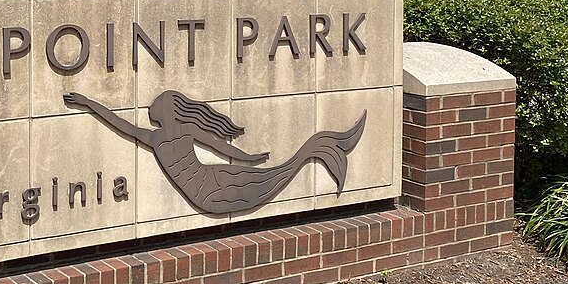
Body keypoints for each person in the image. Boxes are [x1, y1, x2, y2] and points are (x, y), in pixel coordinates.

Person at [62, 90, 366, 214]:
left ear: (164, 111)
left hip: (210, 183)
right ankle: (317, 150)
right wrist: (88, 103)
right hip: (208, 188)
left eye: (156, 103)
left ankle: (318, 150)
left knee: (267, 176)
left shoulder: (159, 137)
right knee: (267, 178)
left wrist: (251, 158)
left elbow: (220, 147)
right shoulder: (165, 135)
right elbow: (117, 122)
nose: (150, 106)